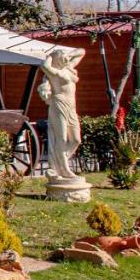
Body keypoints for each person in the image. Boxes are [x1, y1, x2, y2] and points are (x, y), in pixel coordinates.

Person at [38, 48, 85, 181]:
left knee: (76, 140)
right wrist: (50, 56)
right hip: (59, 105)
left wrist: (68, 54)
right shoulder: (54, 73)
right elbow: (44, 66)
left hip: (71, 107)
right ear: (57, 59)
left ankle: (59, 162)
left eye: (66, 57)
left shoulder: (68, 68)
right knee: (62, 139)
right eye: (62, 57)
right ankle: (64, 168)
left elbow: (82, 52)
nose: (66, 59)